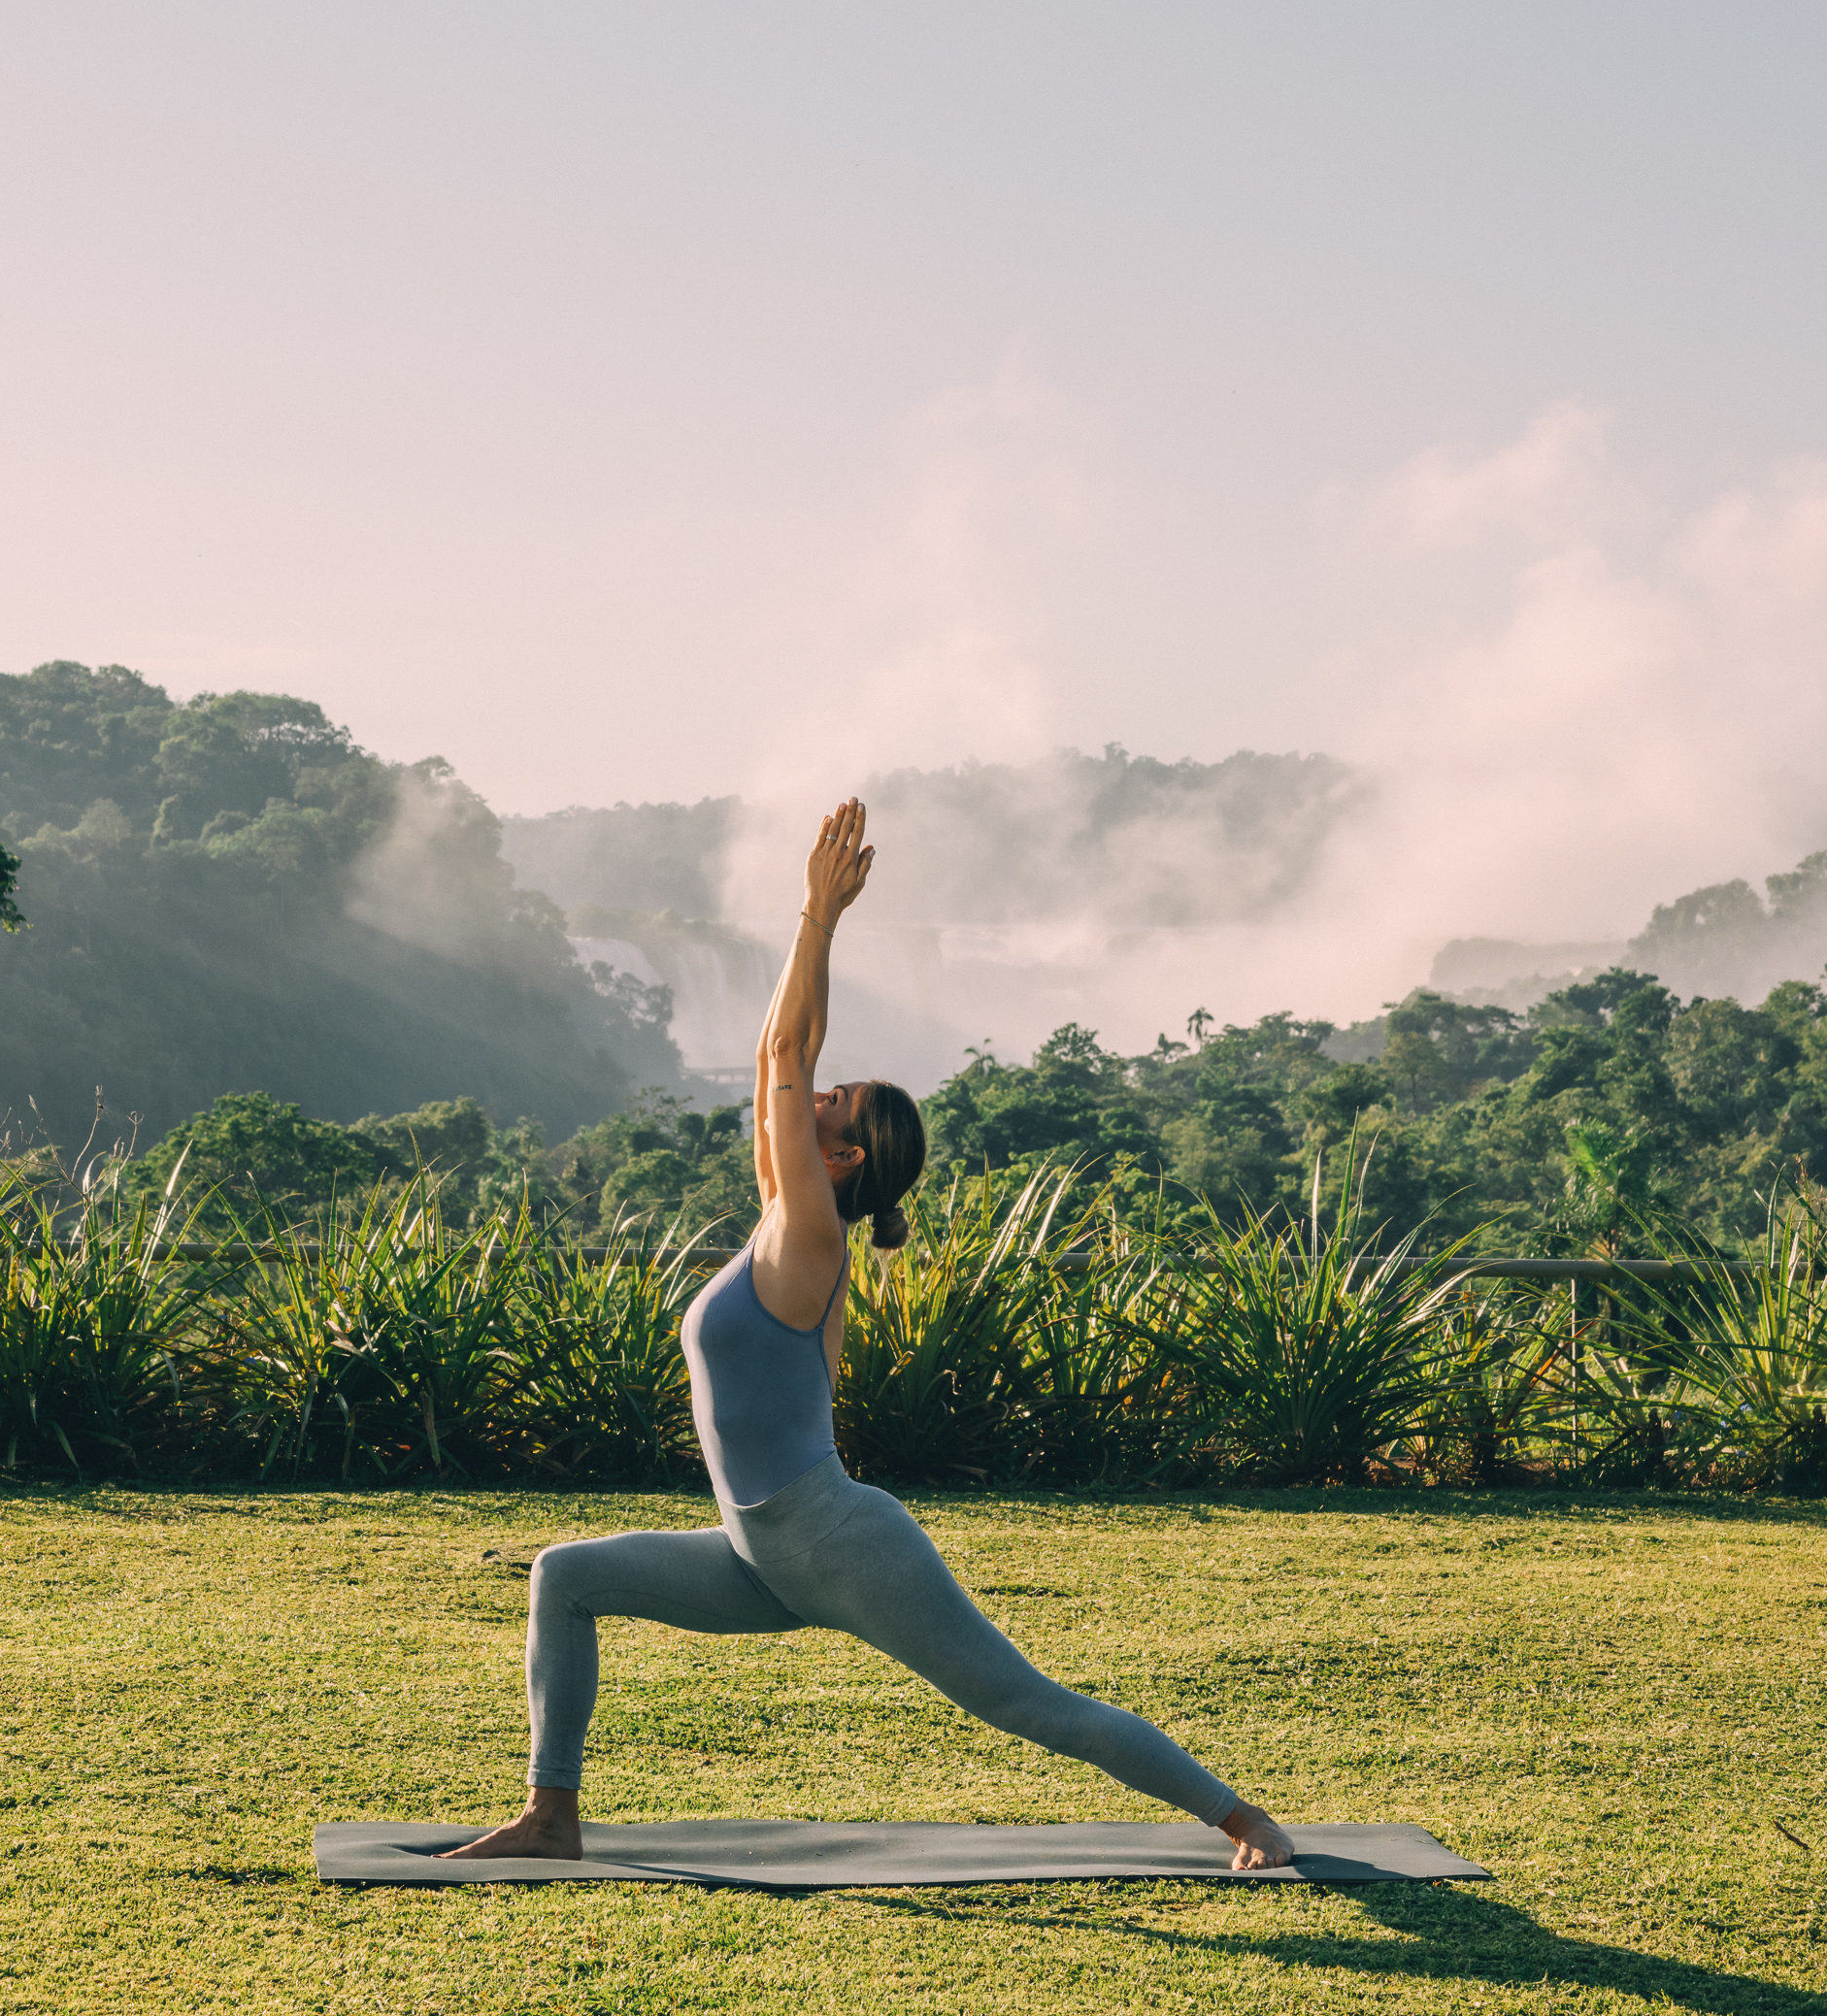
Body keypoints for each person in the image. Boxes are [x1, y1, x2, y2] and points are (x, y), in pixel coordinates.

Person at [448, 799, 1293, 1870]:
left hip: (838, 1543)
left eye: (831, 1103)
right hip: (764, 1556)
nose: (806, 1095)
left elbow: (791, 1047)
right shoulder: (779, 1216)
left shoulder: (810, 1241)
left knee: (1028, 1704)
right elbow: (776, 1058)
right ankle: (551, 1816)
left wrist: (818, 915)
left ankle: (1244, 1819)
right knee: (563, 1577)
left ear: (844, 1160)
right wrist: (811, 938)